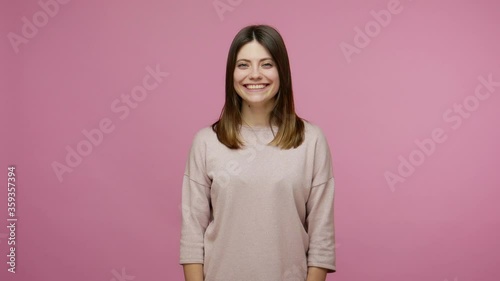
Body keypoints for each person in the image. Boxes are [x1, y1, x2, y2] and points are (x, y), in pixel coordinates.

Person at [179, 24, 336, 281]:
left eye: (266, 64)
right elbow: (192, 235)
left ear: (282, 72)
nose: (254, 74)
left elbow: (321, 237)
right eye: (243, 65)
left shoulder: (312, 141)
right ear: (232, 73)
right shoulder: (206, 142)